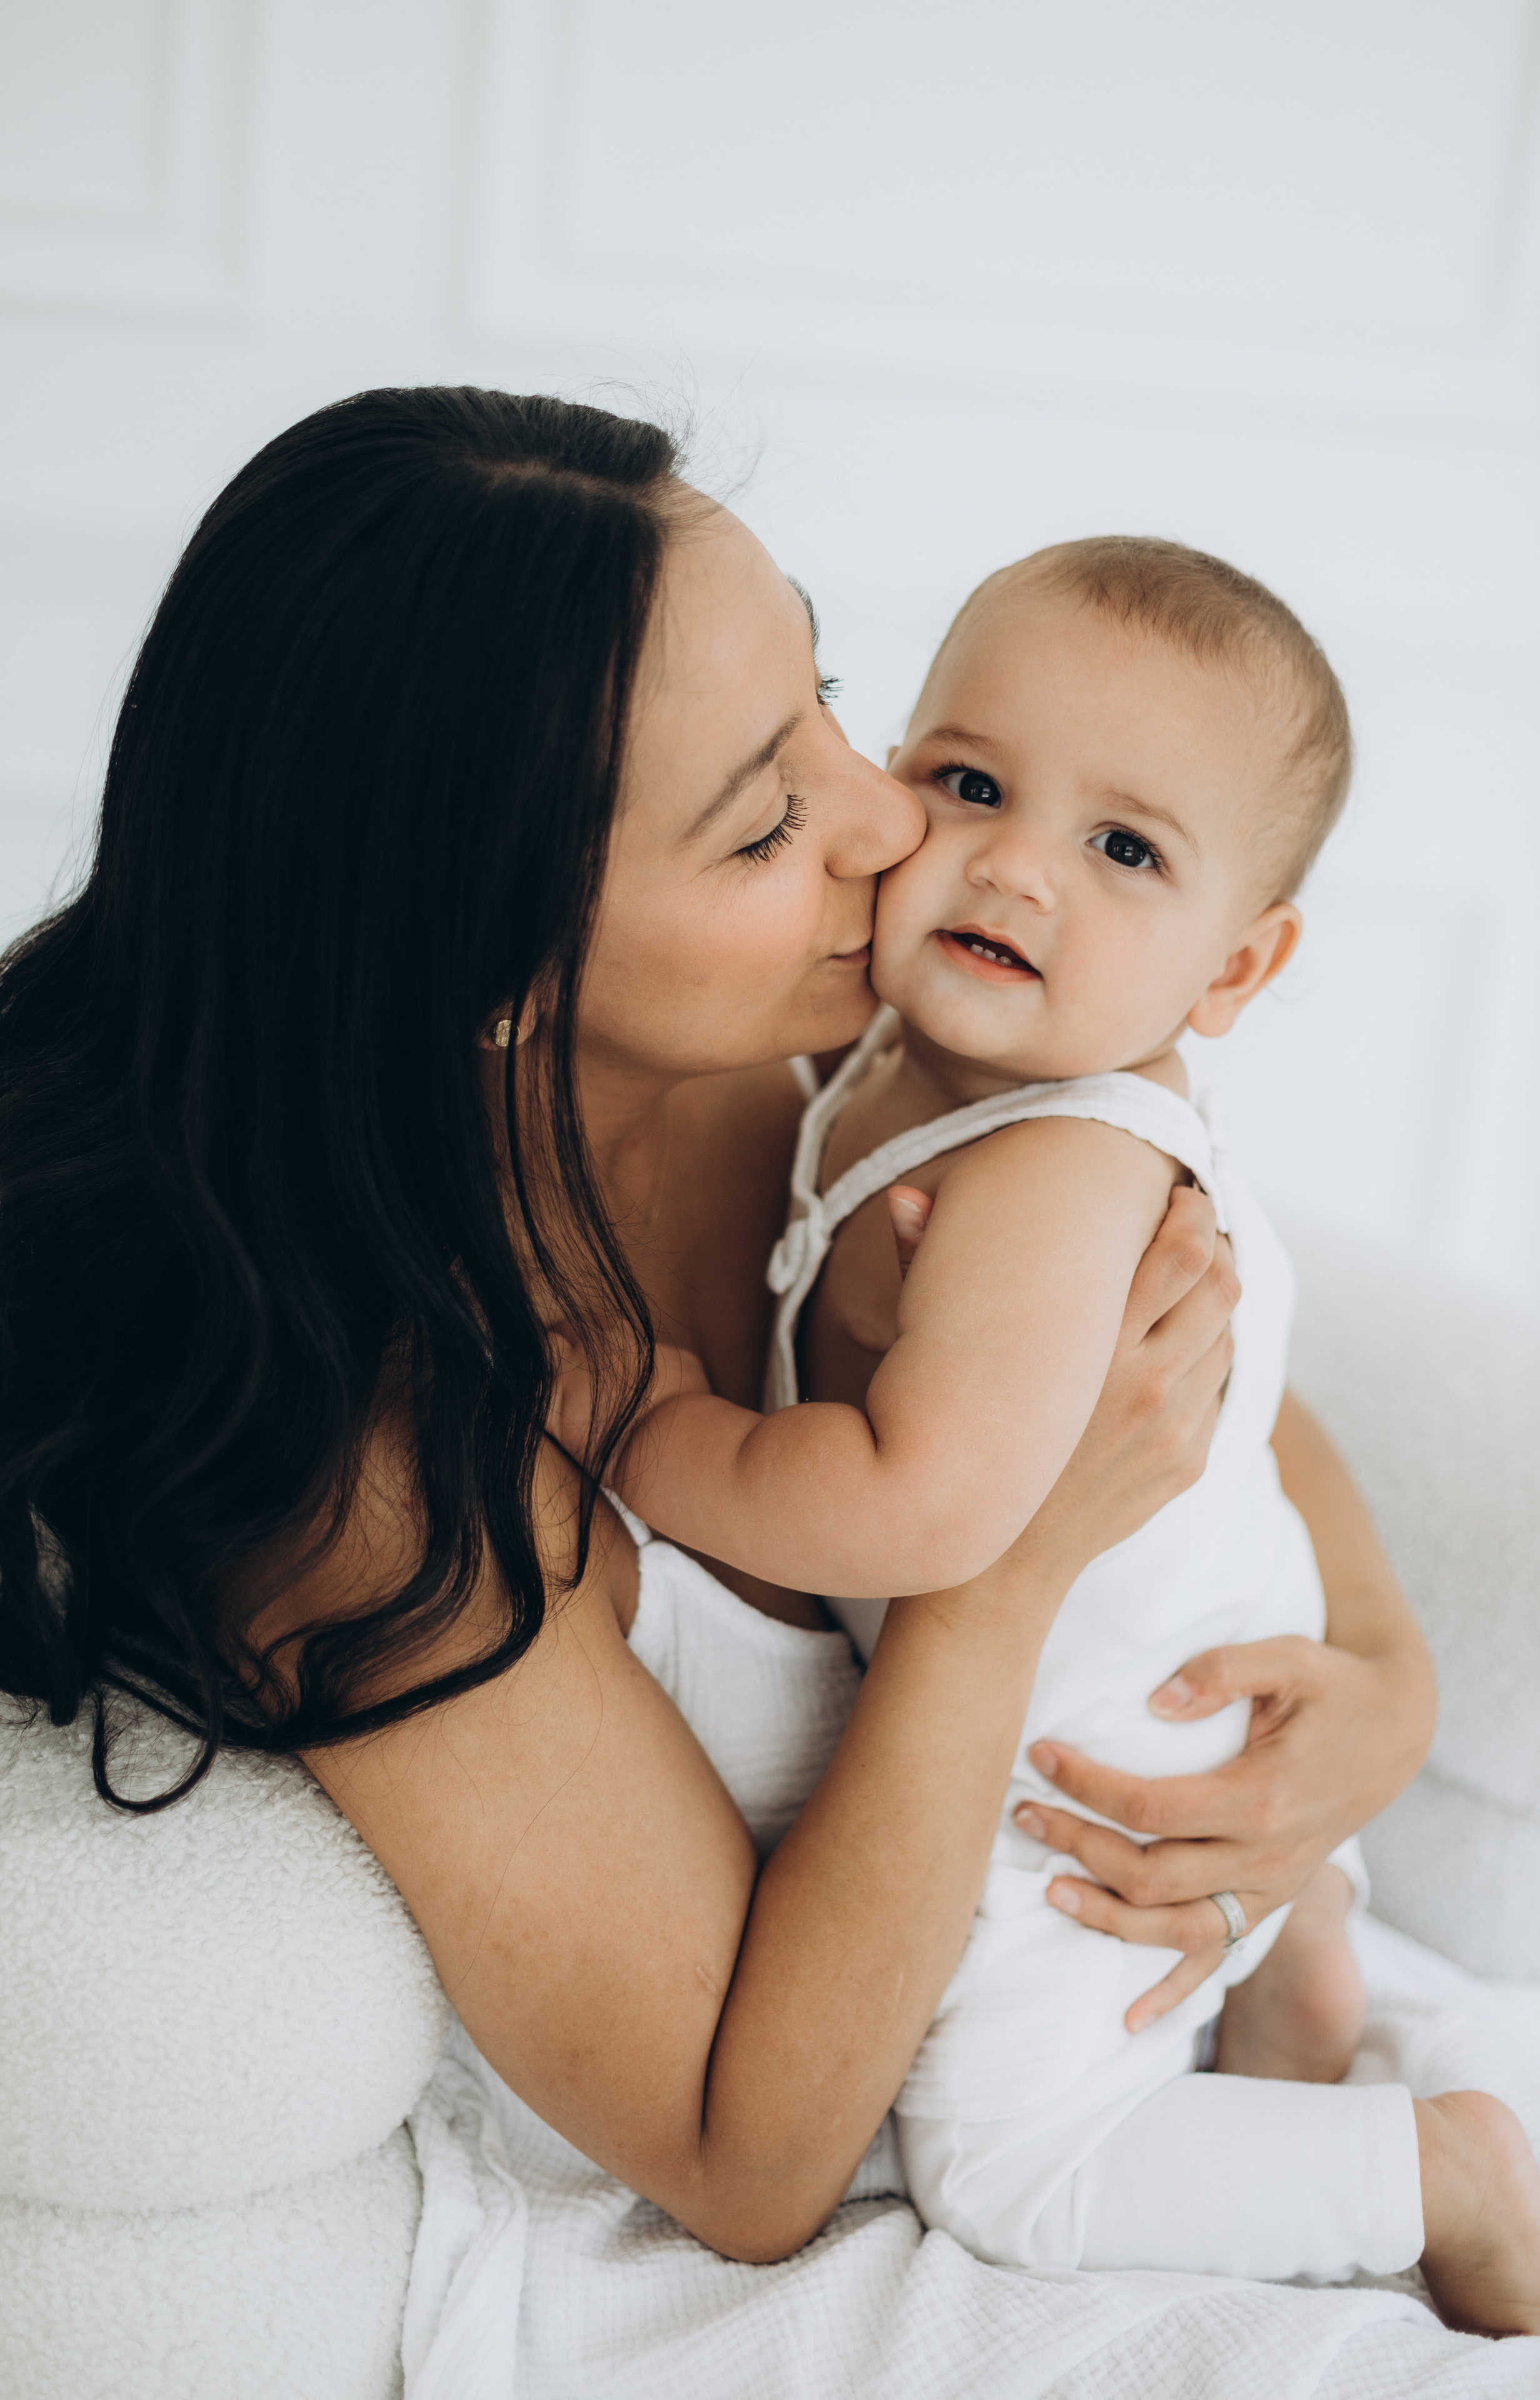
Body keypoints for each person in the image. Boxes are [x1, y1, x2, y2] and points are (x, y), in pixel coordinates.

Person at [0, 390, 1435, 2288]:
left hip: (1173, 1988)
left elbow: (1202, 1378)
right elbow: (750, 2161)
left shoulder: (857, 1063)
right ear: (490, 978)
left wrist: (1381, 1695)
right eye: (762, 823)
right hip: (927, 2176)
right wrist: (1000, 1569)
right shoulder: (378, 1473)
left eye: (830, 693)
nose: (896, 817)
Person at [575, 533, 1540, 2327]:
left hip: (1099, 1764)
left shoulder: (1048, 1163)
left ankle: (1443, 2171)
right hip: (1175, 1677)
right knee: (1228, 1989)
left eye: (1123, 847)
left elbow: (920, 1515)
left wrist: (656, 1437)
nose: (1013, 865)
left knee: (1010, 2174)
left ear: (1235, 968)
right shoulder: (899, 1058)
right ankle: (1295, 1974)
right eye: (968, 782)